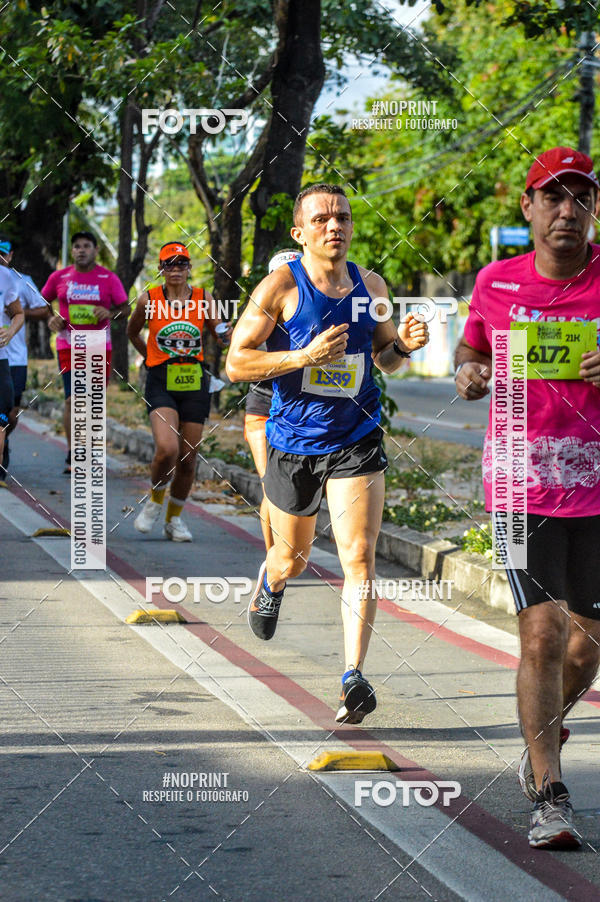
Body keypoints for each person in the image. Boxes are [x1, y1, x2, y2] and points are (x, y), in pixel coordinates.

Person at [227, 183, 428, 724]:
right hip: (293, 444)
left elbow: (386, 358)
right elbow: (236, 363)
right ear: (300, 233)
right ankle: (269, 584)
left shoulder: (372, 284)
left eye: (341, 217)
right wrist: (304, 356)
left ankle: (352, 677)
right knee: (291, 557)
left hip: (357, 439)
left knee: (358, 556)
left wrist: (404, 344)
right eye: (321, 219)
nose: (333, 226)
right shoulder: (279, 288)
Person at [455, 146, 600, 849]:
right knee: (540, 634)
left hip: (598, 490)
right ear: (529, 207)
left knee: (586, 647)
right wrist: (469, 373)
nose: (567, 210)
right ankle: (549, 793)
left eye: (581, 198)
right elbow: (472, 350)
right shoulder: (495, 283)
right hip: (520, 484)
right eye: (554, 197)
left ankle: (541, 727)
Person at [127, 241, 231, 542]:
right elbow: (132, 332)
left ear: (188, 268)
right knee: (167, 448)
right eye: (169, 264)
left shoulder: (203, 297)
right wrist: (148, 357)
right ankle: (156, 499)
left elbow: (220, 333)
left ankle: (174, 520)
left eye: (181, 264)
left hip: (194, 379)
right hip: (161, 379)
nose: (175, 269)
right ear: (161, 269)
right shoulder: (149, 299)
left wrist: (234, 332)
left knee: (188, 455)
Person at [42, 231, 129, 474]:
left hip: (99, 344)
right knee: (72, 399)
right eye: (77, 246)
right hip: (69, 344)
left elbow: (126, 308)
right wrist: (51, 318)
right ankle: (75, 454)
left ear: (95, 249)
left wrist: (110, 314)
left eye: (86, 246)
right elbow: (41, 302)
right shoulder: (60, 277)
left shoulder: (108, 278)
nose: (81, 250)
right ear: (72, 251)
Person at [244, 249, 303, 551]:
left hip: (302, 411)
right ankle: (272, 560)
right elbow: (239, 359)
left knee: (294, 490)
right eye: (282, 275)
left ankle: (288, 550)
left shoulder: (315, 311)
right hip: (263, 408)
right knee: (271, 486)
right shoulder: (261, 314)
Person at [0, 237, 49, 480]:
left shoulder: (20, 281)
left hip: (15, 357)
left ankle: (4, 441)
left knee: (10, 412)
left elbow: (44, 309)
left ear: (10, 257)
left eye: (3, 254)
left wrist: (16, 311)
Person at [0, 266, 24, 480]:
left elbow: (18, 313)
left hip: (1, 361)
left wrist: (10, 331)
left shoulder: (4, 276)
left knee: (3, 417)